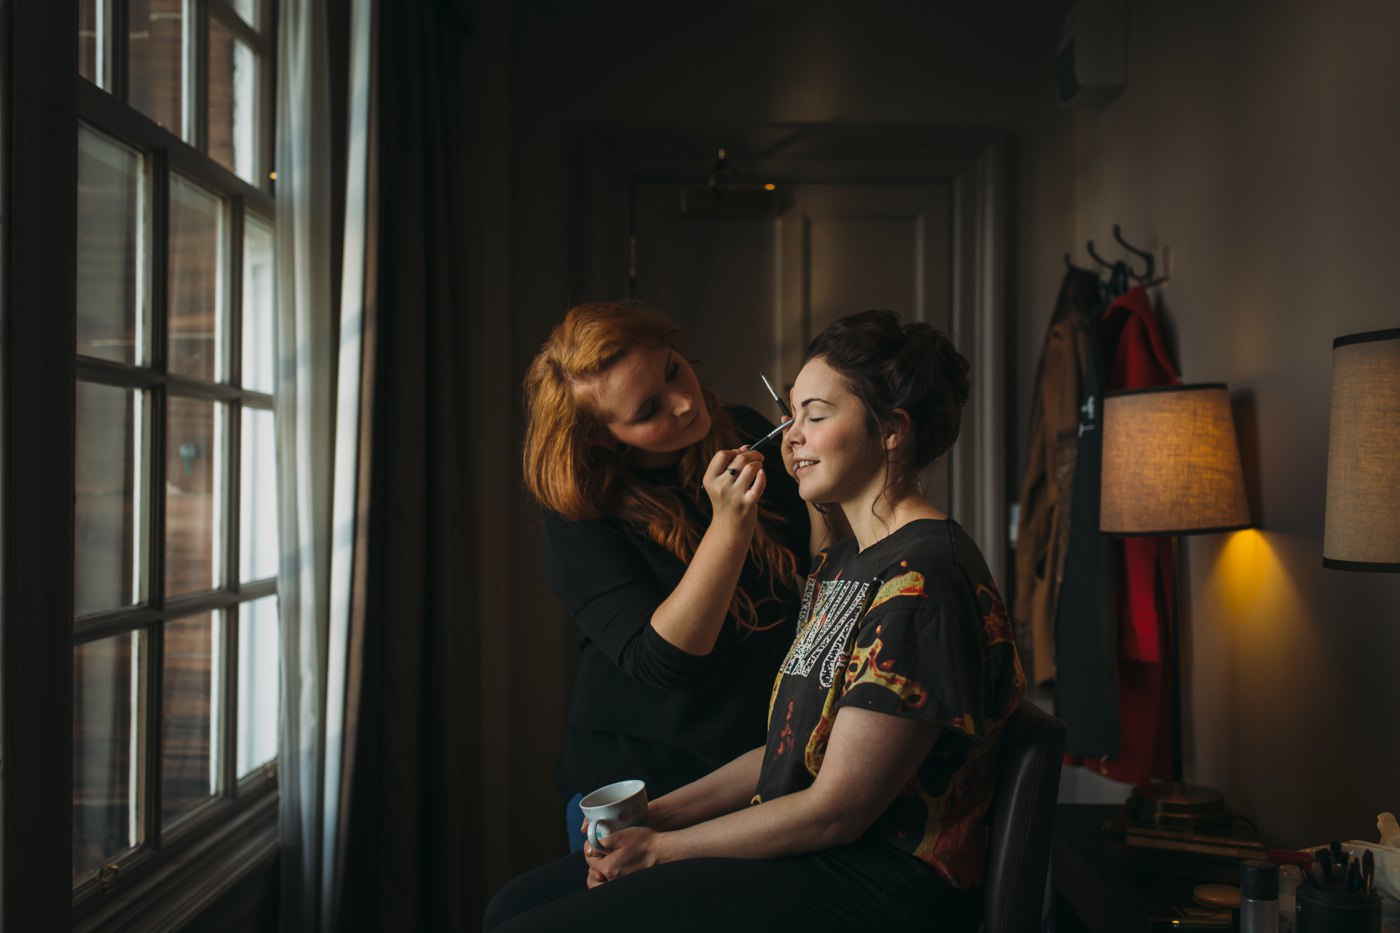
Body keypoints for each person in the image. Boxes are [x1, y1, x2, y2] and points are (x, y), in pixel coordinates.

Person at [486, 309, 1027, 932]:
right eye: (790, 413)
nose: (789, 436)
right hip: (777, 817)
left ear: (892, 431)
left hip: (876, 870)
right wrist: (656, 818)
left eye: (814, 416)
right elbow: (784, 749)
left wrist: (662, 847)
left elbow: (838, 810)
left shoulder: (920, 582)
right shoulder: (844, 564)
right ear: (607, 438)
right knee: (511, 908)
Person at [521, 301, 822, 853]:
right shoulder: (581, 514)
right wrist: (729, 524)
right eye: (648, 410)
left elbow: (815, 566)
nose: (686, 403)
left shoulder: (749, 432)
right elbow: (668, 660)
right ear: (603, 438)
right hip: (636, 785)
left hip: (753, 770)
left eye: (672, 369)